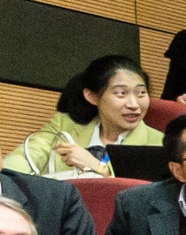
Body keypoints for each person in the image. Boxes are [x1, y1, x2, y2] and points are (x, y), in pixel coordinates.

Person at [9, 54, 138, 178]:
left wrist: (100, 169)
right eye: (121, 93)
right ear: (92, 96)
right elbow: (27, 156)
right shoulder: (64, 124)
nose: (133, 104)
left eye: (140, 93)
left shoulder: (154, 138)